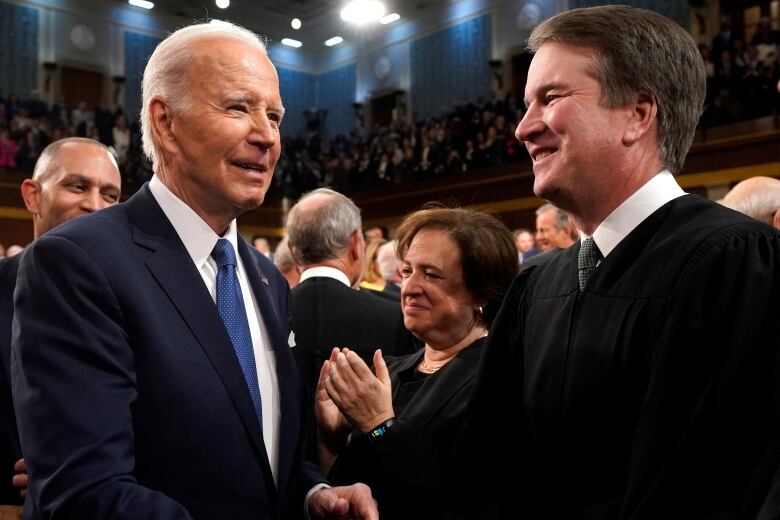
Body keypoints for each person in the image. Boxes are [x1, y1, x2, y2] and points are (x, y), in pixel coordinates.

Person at [11, 22, 376, 519]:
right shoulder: (76, 262)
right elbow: (84, 492)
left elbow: (261, 451)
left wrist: (313, 496)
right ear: (166, 123)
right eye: (238, 107)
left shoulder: (268, 280)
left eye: (274, 115)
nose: (267, 135)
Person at [450, 6, 780, 519]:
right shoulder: (537, 285)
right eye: (525, 104)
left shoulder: (734, 263)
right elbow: (485, 469)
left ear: (638, 114)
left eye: (550, 98)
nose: (522, 129)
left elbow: (705, 488)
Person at [316, 207, 518, 520]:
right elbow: (345, 487)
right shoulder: (390, 371)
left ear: (482, 291)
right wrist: (332, 439)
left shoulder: (501, 378)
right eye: (407, 271)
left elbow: (461, 499)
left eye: (432, 275)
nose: (409, 289)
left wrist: (380, 426)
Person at [0, 137, 121, 520]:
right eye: (77, 186)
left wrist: (65, 470)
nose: (95, 205)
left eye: (111, 195)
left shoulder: (137, 305)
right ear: (33, 196)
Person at [286, 188, 417, 463]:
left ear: (293, 250)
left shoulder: (263, 314)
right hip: (377, 481)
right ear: (356, 242)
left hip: (280, 488)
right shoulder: (399, 317)